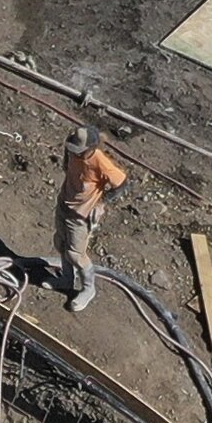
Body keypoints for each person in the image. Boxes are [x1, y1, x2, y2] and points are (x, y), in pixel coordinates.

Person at [54, 126, 127, 314]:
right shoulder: (72, 148)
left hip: (80, 215)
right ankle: (66, 280)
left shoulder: (99, 162)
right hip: (65, 204)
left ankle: (88, 289)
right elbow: (67, 161)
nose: (73, 152)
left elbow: (122, 182)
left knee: (75, 254)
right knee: (60, 243)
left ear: (91, 147)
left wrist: (100, 202)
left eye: (79, 150)